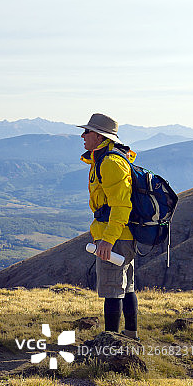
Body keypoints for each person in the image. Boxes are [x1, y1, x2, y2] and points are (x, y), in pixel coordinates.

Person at [78, 113, 139, 340]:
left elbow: (121, 206)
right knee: (126, 286)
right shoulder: (103, 159)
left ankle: (110, 343)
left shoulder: (111, 163)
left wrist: (108, 240)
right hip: (120, 234)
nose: (83, 135)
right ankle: (130, 335)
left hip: (115, 236)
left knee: (112, 289)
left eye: (87, 131)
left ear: (99, 136)